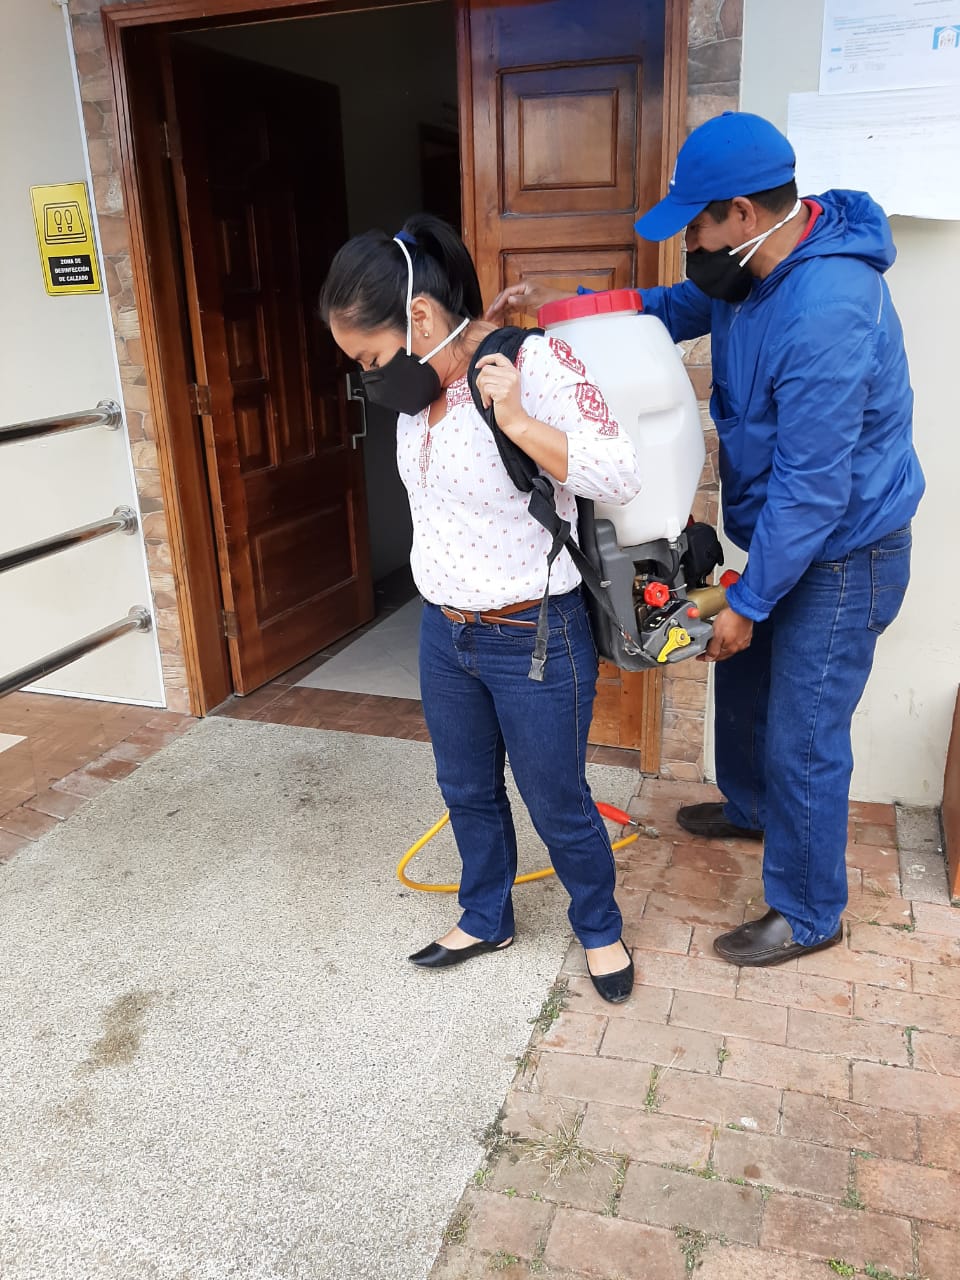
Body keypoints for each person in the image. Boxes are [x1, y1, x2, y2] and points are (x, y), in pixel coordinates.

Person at [488, 111, 924, 968]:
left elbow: (814, 487)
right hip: (788, 536)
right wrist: (556, 324)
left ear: (744, 214)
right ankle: (752, 809)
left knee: (804, 733)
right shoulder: (748, 273)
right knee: (746, 687)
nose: (688, 243)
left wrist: (749, 601)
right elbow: (658, 311)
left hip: (847, 552)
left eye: (696, 225)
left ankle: (808, 911)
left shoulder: (828, 309)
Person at [319, 214, 644, 1002]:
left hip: (533, 634)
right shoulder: (420, 392)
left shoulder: (534, 365)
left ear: (419, 318)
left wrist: (521, 421)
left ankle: (599, 928)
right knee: (465, 787)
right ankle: (486, 915)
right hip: (446, 633)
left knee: (556, 799)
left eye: (370, 358)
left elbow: (619, 473)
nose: (370, 377)